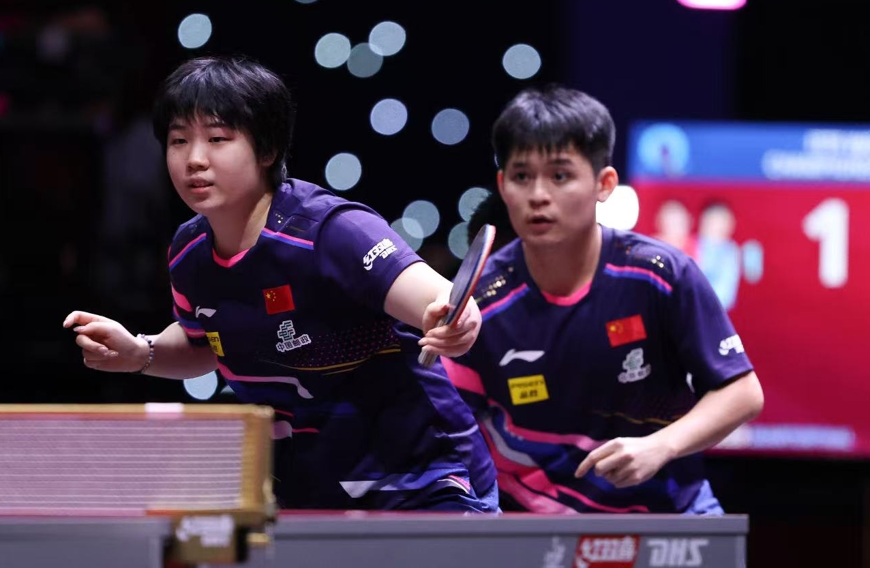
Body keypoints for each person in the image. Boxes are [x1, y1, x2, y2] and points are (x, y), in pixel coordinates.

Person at [63, 55, 498, 512]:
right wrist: (141, 353)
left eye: (217, 138)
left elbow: (437, 298)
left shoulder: (330, 231)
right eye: (179, 140)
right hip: (315, 490)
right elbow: (203, 343)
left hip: (425, 481)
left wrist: (456, 317)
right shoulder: (189, 254)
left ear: (267, 149)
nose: (194, 159)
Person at [442, 85, 763, 514]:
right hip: (532, 522)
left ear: (604, 183)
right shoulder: (481, 300)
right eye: (521, 177)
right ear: (502, 186)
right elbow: (452, 427)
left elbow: (742, 392)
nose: (538, 195)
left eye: (560, 176)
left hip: (669, 514)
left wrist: (661, 446)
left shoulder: (661, 275)